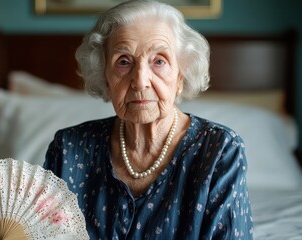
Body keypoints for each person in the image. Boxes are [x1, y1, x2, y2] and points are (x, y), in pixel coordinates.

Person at [43, 0, 254, 239]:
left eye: (159, 61)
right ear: (105, 77)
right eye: (123, 62)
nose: (140, 80)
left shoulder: (219, 150)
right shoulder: (69, 148)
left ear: (181, 76)